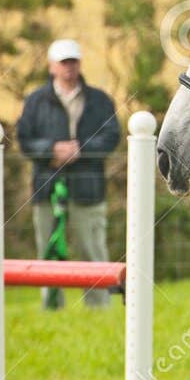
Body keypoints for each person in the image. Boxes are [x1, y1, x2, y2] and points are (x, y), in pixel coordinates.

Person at [15, 39, 121, 308]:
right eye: (63, 62)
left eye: (73, 61)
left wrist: (81, 150)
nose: (68, 67)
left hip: (89, 188)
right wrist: (51, 150)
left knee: (92, 250)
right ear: (52, 66)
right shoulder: (35, 101)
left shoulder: (99, 100)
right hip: (47, 188)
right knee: (48, 249)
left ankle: (98, 308)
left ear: (79, 64)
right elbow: (24, 140)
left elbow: (111, 137)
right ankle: (51, 306)